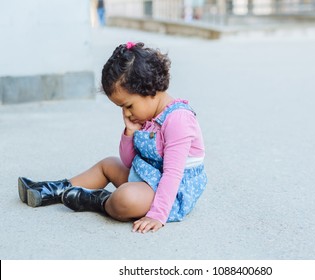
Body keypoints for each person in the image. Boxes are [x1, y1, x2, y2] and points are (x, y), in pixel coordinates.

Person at [17, 42, 207, 233]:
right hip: (147, 176)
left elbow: (173, 174)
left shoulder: (178, 120)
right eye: (121, 108)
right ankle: (53, 190)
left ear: (150, 90)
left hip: (171, 191)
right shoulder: (147, 116)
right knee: (108, 164)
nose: (126, 113)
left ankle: (97, 200)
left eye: (129, 106)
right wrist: (129, 133)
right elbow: (128, 161)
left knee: (125, 199)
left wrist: (157, 215)